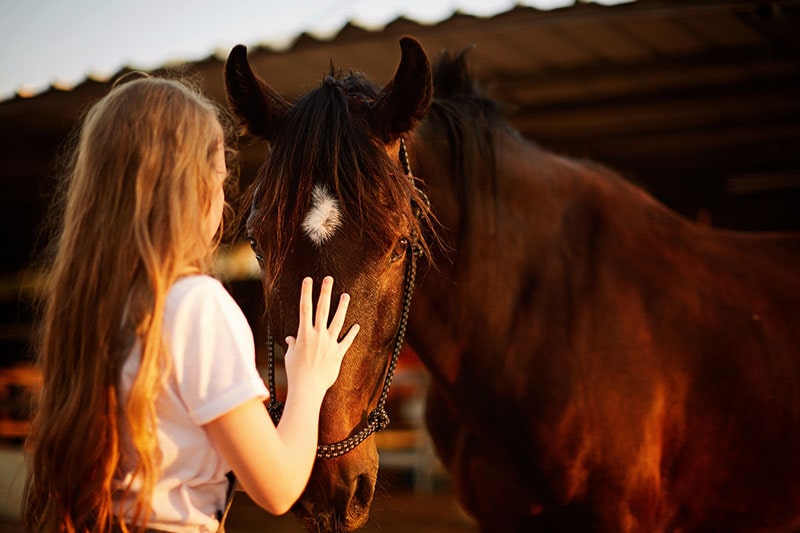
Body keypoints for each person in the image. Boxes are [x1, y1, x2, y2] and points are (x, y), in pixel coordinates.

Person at [22, 75, 360, 533]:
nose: (223, 205)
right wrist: (309, 381)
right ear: (188, 188)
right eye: (219, 182)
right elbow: (277, 487)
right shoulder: (196, 306)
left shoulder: (93, 308)